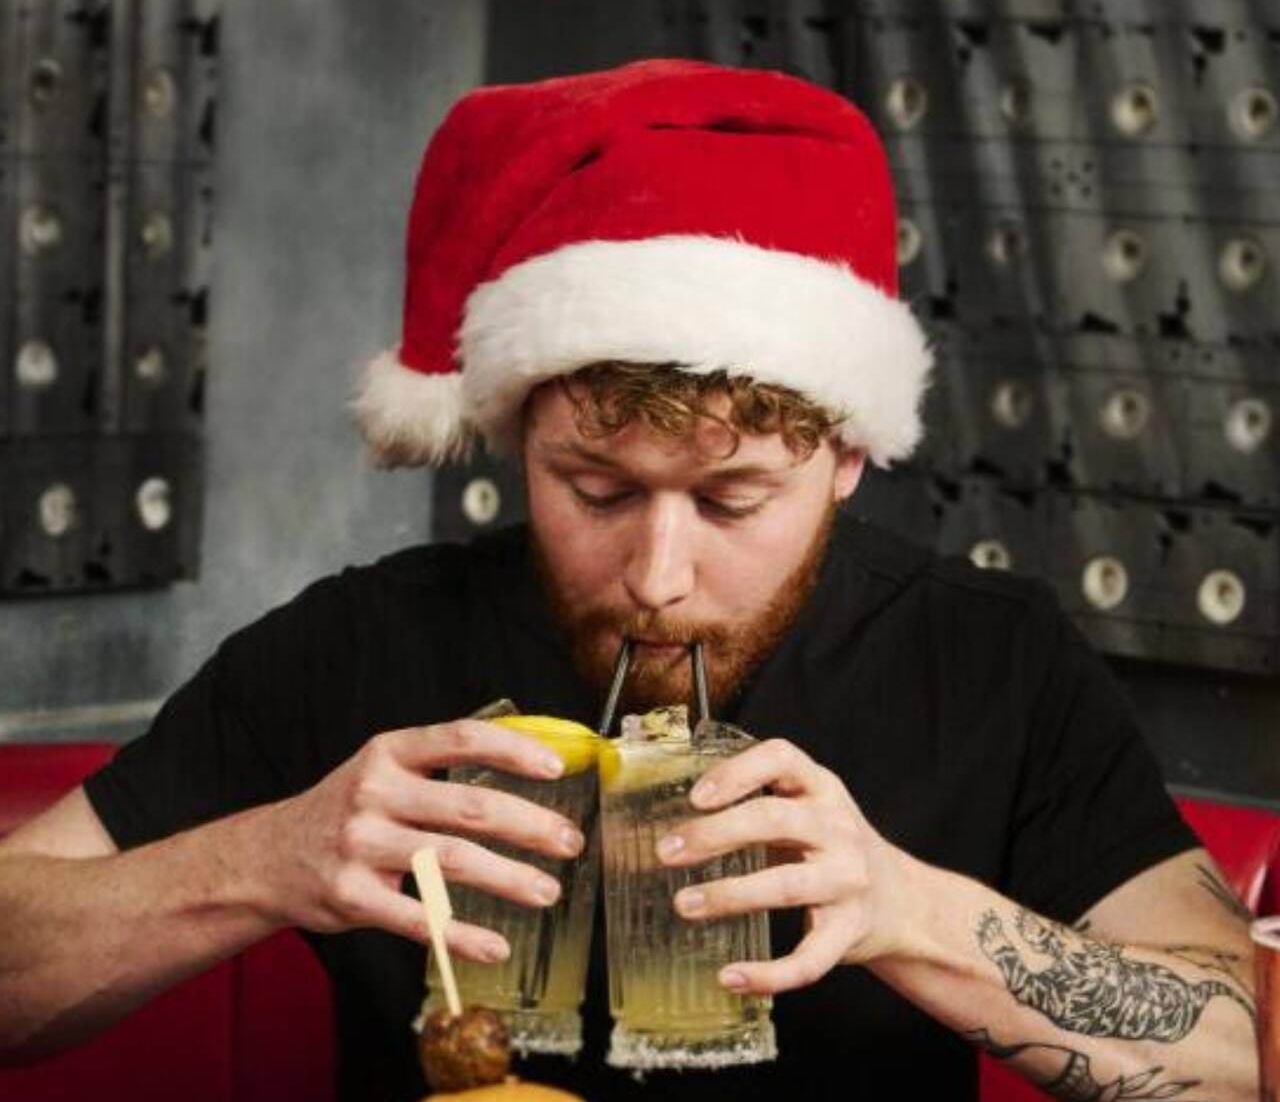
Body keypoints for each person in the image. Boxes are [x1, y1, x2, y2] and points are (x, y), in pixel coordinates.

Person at [0, 60, 1258, 1102]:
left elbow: (1232, 1052)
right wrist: (266, 857)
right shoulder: (355, 645)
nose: (657, 577)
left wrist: (904, 911)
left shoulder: (988, 665)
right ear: (514, 444)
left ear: (849, 459)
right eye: (594, 492)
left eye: (731, 501)